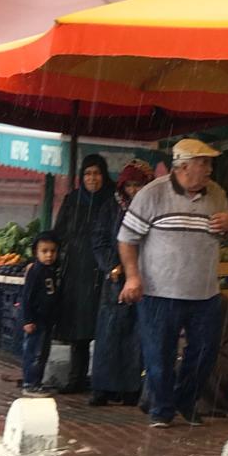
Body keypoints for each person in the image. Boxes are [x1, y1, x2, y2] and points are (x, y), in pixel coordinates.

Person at [118, 138, 228, 428]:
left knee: (206, 351)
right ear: (183, 166)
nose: (209, 169)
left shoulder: (216, 193)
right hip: (159, 292)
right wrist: (133, 277)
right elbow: (127, 239)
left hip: (205, 292)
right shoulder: (152, 193)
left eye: (209, 163)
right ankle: (162, 409)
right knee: (159, 354)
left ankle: (186, 401)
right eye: (203, 163)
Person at [89, 159, 155, 407]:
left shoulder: (153, 208)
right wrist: (113, 266)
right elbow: (100, 239)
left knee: (135, 334)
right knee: (109, 333)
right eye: (129, 186)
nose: (133, 190)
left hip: (145, 278)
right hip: (115, 281)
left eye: (138, 185)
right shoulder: (112, 207)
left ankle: (130, 389)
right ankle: (102, 387)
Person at [53, 154, 113, 393]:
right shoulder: (73, 200)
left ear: (104, 175)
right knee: (77, 327)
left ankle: (101, 381)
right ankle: (75, 377)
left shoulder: (111, 200)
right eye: (87, 174)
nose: (92, 178)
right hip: (76, 270)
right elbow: (59, 232)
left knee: (103, 327)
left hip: (103, 269)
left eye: (97, 173)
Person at [20, 231, 61, 397]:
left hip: (46, 319)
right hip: (36, 320)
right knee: (34, 353)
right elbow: (27, 297)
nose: (49, 255)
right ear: (36, 252)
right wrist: (28, 320)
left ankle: (37, 382)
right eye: (44, 251)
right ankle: (30, 383)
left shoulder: (51, 270)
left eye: (53, 251)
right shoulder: (35, 271)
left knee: (43, 352)